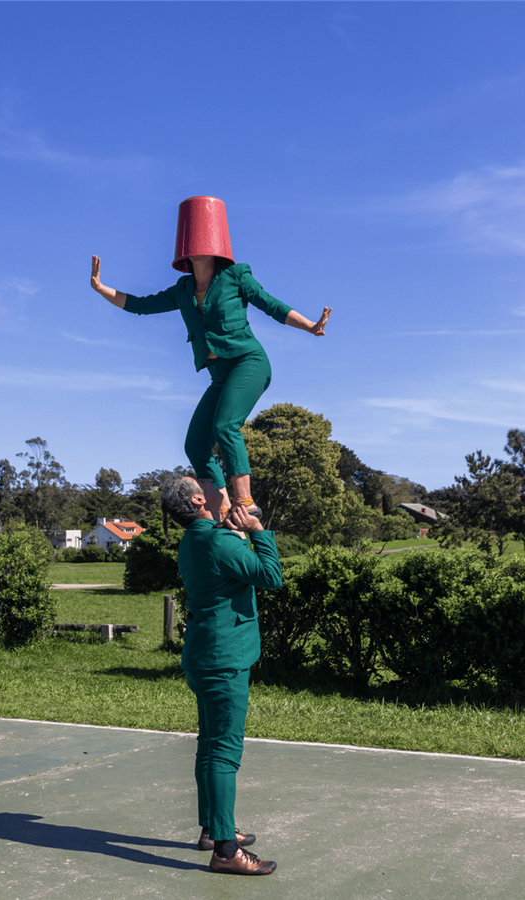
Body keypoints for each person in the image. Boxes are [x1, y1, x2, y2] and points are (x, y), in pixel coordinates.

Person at [91, 196, 332, 525]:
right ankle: (222, 505)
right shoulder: (183, 289)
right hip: (219, 375)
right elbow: (140, 305)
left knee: (225, 425)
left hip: (248, 363)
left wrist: (310, 326)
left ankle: (246, 501)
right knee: (195, 445)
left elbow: (271, 305)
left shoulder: (236, 275)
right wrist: (101, 288)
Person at [160, 473, 282, 875]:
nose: (219, 485)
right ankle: (226, 852)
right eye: (208, 483)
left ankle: (213, 830)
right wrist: (257, 530)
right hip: (224, 658)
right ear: (198, 501)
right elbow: (271, 576)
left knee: (209, 745)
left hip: (203, 655)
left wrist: (231, 528)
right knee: (224, 753)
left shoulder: (195, 538)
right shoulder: (217, 540)